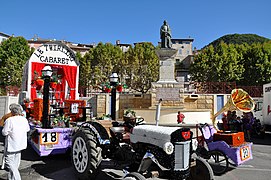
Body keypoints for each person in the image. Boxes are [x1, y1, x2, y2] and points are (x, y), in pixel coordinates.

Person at [2, 103, 30, 180]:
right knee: (15, 163)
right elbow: (27, 129)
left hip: (12, 144)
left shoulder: (9, 120)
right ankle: (11, 178)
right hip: (21, 143)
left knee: (9, 162)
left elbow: (4, 132)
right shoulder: (24, 119)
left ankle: (17, 178)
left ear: (12, 111)